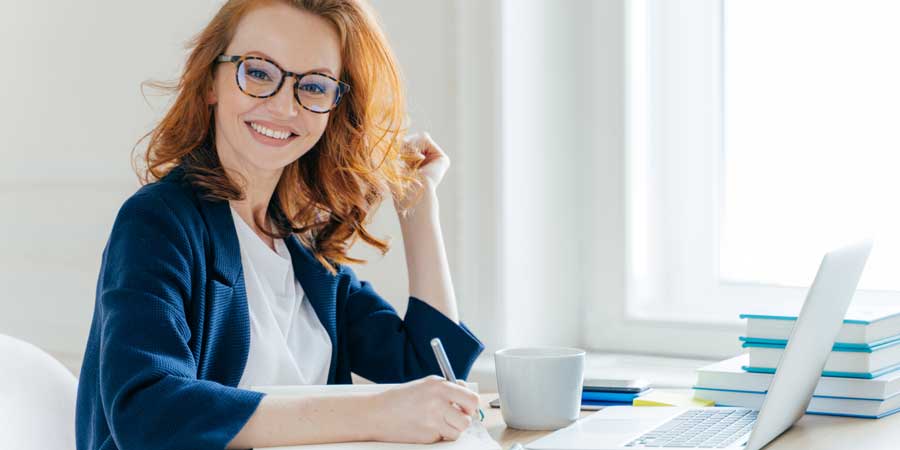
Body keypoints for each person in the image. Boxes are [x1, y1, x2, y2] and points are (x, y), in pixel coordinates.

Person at [74, 1, 484, 449]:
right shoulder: (158, 223)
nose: (284, 106)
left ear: (332, 108)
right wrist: (373, 411)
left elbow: (432, 373)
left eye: (313, 86)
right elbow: (147, 412)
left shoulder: (303, 250)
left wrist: (417, 205)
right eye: (259, 73)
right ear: (211, 81)